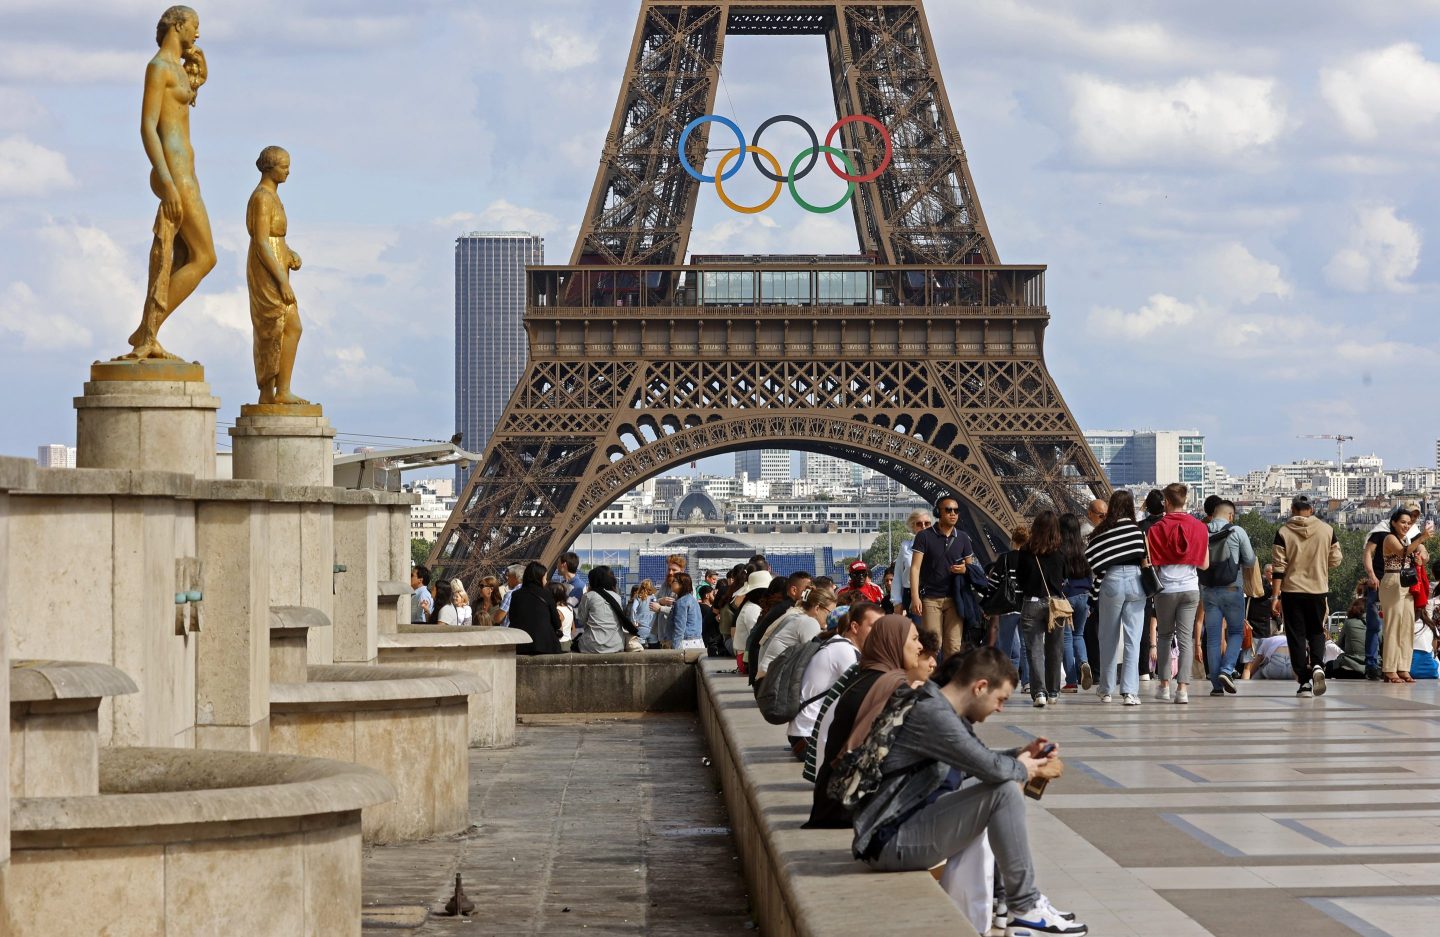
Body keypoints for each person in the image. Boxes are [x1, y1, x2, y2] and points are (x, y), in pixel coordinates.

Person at [851, 647, 1085, 936]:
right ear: (981, 687)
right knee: (1004, 791)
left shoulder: (935, 705)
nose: (1000, 708)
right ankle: (1023, 906)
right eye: (1000, 699)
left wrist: (1022, 755)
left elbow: (976, 761)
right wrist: (1026, 767)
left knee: (1002, 785)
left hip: (900, 826)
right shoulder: (934, 715)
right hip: (888, 841)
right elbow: (991, 768)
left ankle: (1006, 901)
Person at [125, 4, 217, 361]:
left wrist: (198, 75)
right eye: (194, 26)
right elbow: (148, 126)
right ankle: (148, 328)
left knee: (176, 257)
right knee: (205, 256)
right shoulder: (158, 68)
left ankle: (149, 332)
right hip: (174, 173)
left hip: (187, 171)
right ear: (176, 26)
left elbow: (183, 105)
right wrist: (166, 179)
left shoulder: (178, 69)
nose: (198, 33)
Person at [807, 614, 923, 829]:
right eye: (915, 639)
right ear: (894, 642)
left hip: (830, 802)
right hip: (846, 806)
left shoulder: (866, 675)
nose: (920, 646)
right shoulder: (892, 687)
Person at [790, 602, 883, 761]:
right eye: (873, 627)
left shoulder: (839, 644)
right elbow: (864, 698)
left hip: (805, 735)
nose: (879, 634)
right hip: (808, 741)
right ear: (854, 627)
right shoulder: (845, 651)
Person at [1271, 494, 1343, 695]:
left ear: (1292, 510)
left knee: (1296, 636)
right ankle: (1318, 665)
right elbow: (1336, 559)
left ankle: (1304, 681)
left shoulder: (1283, 532)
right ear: (1311, 510)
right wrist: (1320, 564)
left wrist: (1275, 597)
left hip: (1292, 590)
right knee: (1317, 631)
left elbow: (1278, 567)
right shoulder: (1327, 530)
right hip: (1317, 589)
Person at [1146, 483, 1209, 704]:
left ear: (1167, 502)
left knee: (1164, 636)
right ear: (1185, 501)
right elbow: (1205, 565)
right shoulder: (1200, 527)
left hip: (1165, 589)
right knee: (1186, 639)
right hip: (1190, 588)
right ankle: (1182, 689)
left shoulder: (1155, 529)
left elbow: (1152, 562)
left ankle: (1164, 685)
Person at [1086, 490, 1148, 706]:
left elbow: (1092, 560)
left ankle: (1105, 689)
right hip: (1135, 581)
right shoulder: (1137, 531)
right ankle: (1130, 692)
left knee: (1108, 637)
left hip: (1111, 580)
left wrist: (1094, 593)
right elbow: (1144, 559)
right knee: (1133, 639)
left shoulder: (1103, 531)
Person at [908, 495, 975, 657]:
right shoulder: (924, 536)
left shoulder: (963, 538)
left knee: (953, 648)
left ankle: (949, 681)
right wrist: (915, 597)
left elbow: (970, 567)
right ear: (938, 512)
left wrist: (964, 569)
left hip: (955, 599)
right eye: (949, 510)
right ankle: (930, 681)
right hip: (931, 598)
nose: (953, 514)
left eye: (956, 511)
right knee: (932, 646)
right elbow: (915, 568)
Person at [1201, 500, 1256, 696]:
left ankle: (1216, 686)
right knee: (1235, 633)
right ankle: (1227, 669)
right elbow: (1250, 559)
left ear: (1213, 514)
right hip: (1232, 588)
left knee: (1213, 639)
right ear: (1230, 515)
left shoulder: (1201, 531)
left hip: (1208, 590)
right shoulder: (1237, 531)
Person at [1016, 511, 1066, 707]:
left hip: (1032, 602)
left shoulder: (1026, 551)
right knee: (1055, 649)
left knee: (1034, 650)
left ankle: (1039, 693)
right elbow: (1065, 576)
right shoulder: (1060, 551)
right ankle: (1053, 691)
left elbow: (1020, 578)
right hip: (1056, 604)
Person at [755, 584, 840, 681]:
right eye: (831, 613)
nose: (832, 618)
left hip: (767, 680)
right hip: (771, 684)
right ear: (817, 608)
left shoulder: (799, 616)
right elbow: (817, 657)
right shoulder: (809, 622)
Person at [747, 572, 812, 685]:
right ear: (793, 590)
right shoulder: (790, 610)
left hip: (759, 676)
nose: (810, 593)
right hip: (764, 681)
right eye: (807, 590)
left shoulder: (784, 606)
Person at [1378, 507, 1419, 683]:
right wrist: (1422, 538)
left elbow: (1422, 553)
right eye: (1403, 522)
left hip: (1407, 583)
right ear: (1394, 523)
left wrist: (1422, 554)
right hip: (1392, 580)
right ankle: (1389, 668)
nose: (1406, 525)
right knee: (1393, 626)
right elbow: (1403, 552)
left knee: (1407, 626)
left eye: (1409, 523)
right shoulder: (1390, 538)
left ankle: (1403, 667)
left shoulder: (1408, 539)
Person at [988, 525, 1030, 692]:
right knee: (1026, 646)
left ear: (1012, 540)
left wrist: (990, 599)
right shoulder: (1031, 559)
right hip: (1026, 606)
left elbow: (994, 582)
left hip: (1008, 607)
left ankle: (1005, 680)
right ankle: (1027, 682)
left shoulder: (1004, 558)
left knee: (1004, 645)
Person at [1057, 513, 1092, 692]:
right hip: (1084, 595)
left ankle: (1071, 681)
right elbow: (1091, 575)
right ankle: (1084, 662)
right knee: (1079, 635)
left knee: (1067, 638)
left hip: (1067, 597)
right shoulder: (1084, 549)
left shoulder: (1059, 550)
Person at [510, 561, 563, 655]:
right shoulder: (547, 594)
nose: (546, 581)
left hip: (521, 644)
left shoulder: (515, 595)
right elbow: (557, 623)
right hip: (544, 645)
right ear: (539, 578)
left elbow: (512, 618)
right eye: (545, 578)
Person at [575, 565, 629, 654]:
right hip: (616, 645)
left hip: (591, 645)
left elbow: (581, 621)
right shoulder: (617, 597)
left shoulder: (588, 596)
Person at [890, 509, 933, 623]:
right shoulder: (905, 547)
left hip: (933, 594)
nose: (923, 527)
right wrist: (897, 601)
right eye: (919, 524)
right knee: (918, 633)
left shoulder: (938, 547)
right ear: (913, 527)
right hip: (911, 595)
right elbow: (898, 575)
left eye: (927, 523)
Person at [669, 572, 703, 649]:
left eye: (674, 581)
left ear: (681, 584)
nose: (671, 583)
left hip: (686, 643)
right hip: (697, 641)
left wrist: (675, 647)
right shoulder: (692, 599)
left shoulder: (681, 602)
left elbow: (679, 627)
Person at [698, 584, 726, 657]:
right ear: (707, 596)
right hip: (711, 643)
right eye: (713, 594)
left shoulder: (702, 607)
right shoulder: (706, 609)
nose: (714, 596)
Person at [629, 579, 657, 645]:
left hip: (641, 628)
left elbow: (633, 609)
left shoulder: (638, 597)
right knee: (654, 651)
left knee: (639, 651)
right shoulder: (654, 598)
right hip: (653, 629)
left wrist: (634, 622)